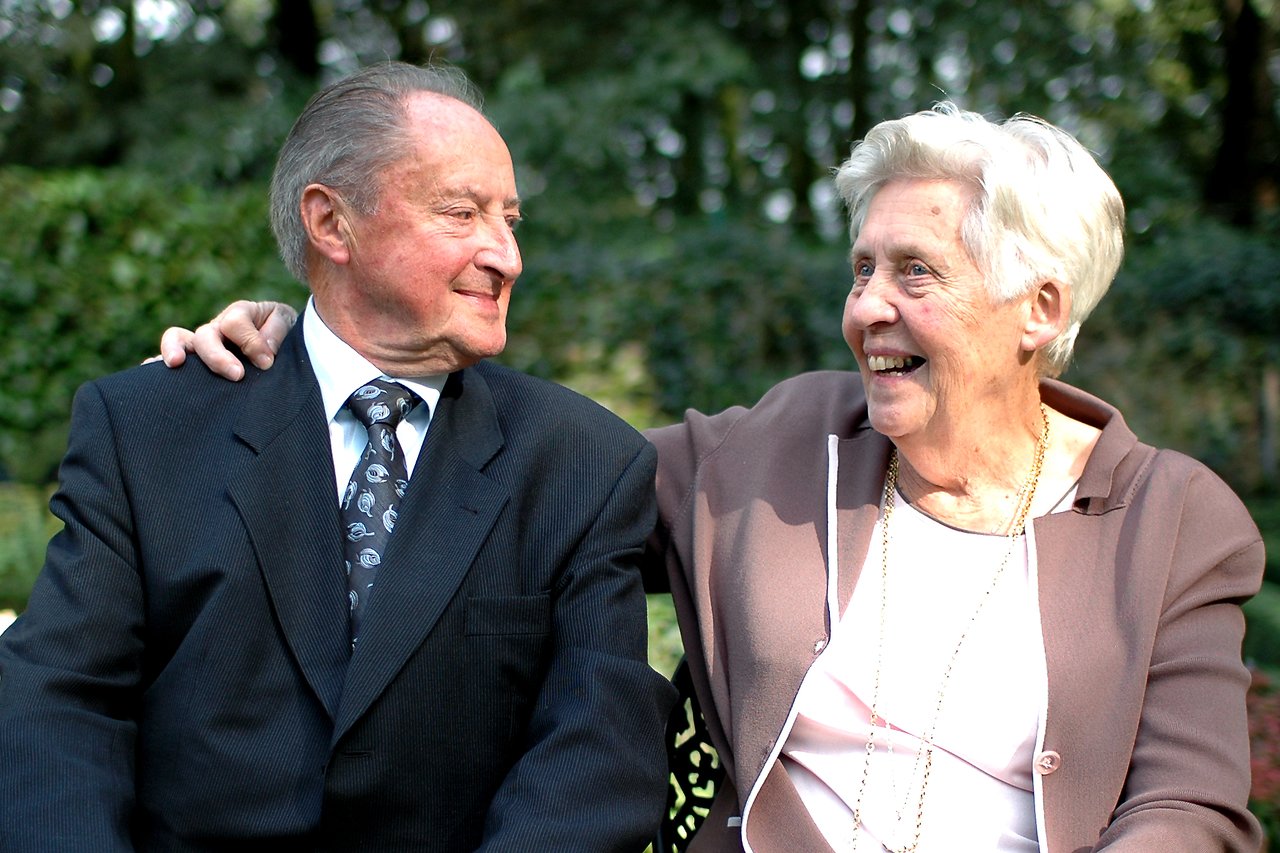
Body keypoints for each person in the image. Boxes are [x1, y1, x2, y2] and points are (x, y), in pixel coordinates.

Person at [159, 103, 1265, 851]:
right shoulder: (777, 449)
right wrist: (317, 353)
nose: (864, 308)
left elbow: (1184, 800)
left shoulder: (1169, 521)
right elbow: (511, 475)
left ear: (1041, 308)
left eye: (913, 273)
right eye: (861, 268)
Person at [0, 61, 675, 850]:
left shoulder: (583, 465)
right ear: (330, 222)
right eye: (462, 213)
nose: (506, 256)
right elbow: (58, 702)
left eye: (511, 221)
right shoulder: (148, 427)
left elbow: (593, 763)